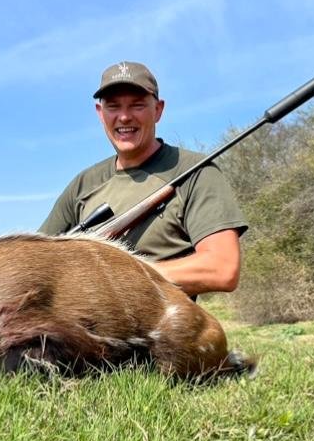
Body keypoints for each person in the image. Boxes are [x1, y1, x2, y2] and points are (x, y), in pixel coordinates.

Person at [39, 61, 247, 297]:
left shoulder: (196, 172)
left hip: (162, 330)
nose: (124, 117)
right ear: (100, 113)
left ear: (158, 110)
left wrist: (116, 276)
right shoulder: (83, 184)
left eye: (137, 105)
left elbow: (221, 269)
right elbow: (34, 262)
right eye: (113, 107)